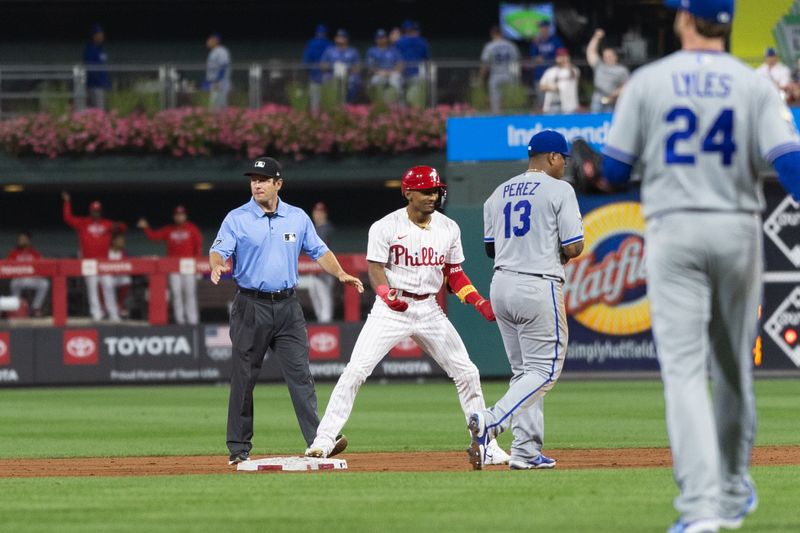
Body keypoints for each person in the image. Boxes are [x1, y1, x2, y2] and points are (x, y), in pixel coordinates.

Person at [602, 0, 800, 531]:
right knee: (734, 370)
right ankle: (734, 489)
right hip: (737, 227)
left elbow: (614, 168)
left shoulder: (650, 80)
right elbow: (791, 163)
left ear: (685, 19)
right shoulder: (755, 82)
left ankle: (701, 513)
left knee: (685, 375)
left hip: (674, 229)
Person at [304, 165, 511, 467]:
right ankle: (323, 440)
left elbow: (453, 273)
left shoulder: (449, 227)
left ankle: (486, 445)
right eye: (426, 191)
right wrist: (386, 294)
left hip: (428, 308)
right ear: (408, 193)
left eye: (436, 190)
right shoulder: (385, 226)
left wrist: (478, 301)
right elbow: (375, 268)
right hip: (392, 309)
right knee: (356, 370)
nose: (432, 196)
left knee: (467, 372)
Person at [209, 156, 364, 465]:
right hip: (250, 305)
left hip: (288, 306)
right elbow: (219, 249)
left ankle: (319, 441)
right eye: (253, 179)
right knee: (244, 378)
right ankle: (238, 448)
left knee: (301, 376)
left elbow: (320, 250)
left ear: (278, 184)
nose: (256, 184)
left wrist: (341, 273)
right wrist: (217, 265)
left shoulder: (297, 217)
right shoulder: (237, 218)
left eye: (263, 179)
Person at [468, 130, 583, 471]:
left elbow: (490, 249)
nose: (564, 164)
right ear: (551, 157)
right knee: (545, 371)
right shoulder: (560, 189)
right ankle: (491, 422)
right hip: (537, 285)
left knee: (523, 373)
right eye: (563, 158)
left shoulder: (497, 192)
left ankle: (526, 451)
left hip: (501, 284)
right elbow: (575, 246)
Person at [62, 192, 127, 322]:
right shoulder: (83, 223)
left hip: (103, 261)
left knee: (108, 285)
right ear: (90, 211)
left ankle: (113, 314)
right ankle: (96, 314)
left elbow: (123, 227)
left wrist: (117, 226)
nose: (96, 213)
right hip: (88, 261)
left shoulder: (107, 223)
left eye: (98, 211)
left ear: (100, 212)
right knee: (92, 288)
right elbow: (67, 218)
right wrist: (67, 202)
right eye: (94, 211)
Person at [138, 205, 203, 325]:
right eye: (177, 215)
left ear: (185, 216)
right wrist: (146, 228)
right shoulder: (169, 229)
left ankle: (193, 320)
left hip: (189, 266)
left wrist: (197, 266)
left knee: (189, 293)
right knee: (176, 293)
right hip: (173, 266)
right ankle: (180, 320)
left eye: (181, 214)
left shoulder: (192, 229)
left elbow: (198, 247)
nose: (179, 217)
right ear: (174, 216)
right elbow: (154, 236)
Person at [297, 202, 335, 323]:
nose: (318, 215)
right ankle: (321, 320)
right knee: (314, 293)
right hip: (313, 269)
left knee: (324, 294)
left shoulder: (327, 228)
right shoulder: (312, 228)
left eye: (320, 212)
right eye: (316, 212)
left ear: (324, 214)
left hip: (325, 268)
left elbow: (319, 246)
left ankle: (326, 321)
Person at [586, 28, 629, 113]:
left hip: (612, 101)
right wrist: (596, 37)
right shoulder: (599, 65)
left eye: (610, 56)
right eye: (605, 56)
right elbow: (591, 52)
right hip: (597, 99)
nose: (607, 58)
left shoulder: (621, 70)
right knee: (594, 121)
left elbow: (626, 85)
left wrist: (613, 95)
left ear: (615, 57)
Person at [7, 232, 49, 318]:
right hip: (19, 278)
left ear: (28, 241)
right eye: (20, 239)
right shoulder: (14, 253)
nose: (22, 241)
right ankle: (17, 307)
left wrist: (38, 274)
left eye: (24, 239)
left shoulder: (34, 252)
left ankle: (35, 308)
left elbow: (42, 265)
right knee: (13, 283)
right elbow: (7, 266)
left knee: (44, 283)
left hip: (32, 278)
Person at [480, 25, 521, 114]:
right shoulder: (511, 45)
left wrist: (481, 78)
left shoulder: (489, 46)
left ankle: (497, 119)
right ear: (501, 34)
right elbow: (517, 63)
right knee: (511, 101)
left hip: (496, 75)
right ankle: (512, 119)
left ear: (492, 34)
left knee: (495, 101)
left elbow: (485, 64)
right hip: (509, 75)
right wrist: (517, 77)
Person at [320, 29, 361, 104]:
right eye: (339, 37)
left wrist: (346, 67)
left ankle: (350, 104)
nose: (341, 38)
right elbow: (322, 66)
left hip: (348, 75)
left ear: (347, 39)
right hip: (332, 74)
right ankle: (331, 104)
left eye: (343, 37)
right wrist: (334, 66)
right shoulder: (329, 50)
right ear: (335, 38)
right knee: (326, 78)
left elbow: (358, 67)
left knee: (354, 79)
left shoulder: (353, 51)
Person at [529, 19, 564, 102]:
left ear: (547, 28)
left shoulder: (555, 40)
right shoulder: (536, 42)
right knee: (542, 101)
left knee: (556, 100)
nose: (543, 29)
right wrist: (537, 58)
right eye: (541, 27)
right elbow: (533, 57)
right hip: (540, 74)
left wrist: (552, 59)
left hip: (554, 74)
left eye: (544, 27)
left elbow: (562, 55)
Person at [302, 24, 333, 114]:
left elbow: (306, 62)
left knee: (315, 102)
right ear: (326, 33)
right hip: (327, 75)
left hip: (314, 76)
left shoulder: (311, 43)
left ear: (316, 33)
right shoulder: (329, 44)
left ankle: (315, 118)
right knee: (328, 101)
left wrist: (309, 72)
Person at [366, 29, 404, 101]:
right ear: (376, 39)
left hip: (393, 73)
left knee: (396, 80)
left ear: (386, 38)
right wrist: (380, 72)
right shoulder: (371, 51)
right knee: (375, 81)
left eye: (383, 37)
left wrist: (391, 72)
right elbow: (371, 67)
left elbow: (400, 64)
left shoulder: (394, 50)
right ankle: (378, 104)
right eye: (379, 37)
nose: (381, 39)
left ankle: (395, 104)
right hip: (379, 74)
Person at [539, 48, 580, 114]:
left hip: (569, 106)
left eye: (564, 56)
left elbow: (573, 75)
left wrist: (567, 63)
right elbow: (541, 86)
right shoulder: (550, 71)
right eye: (560, 56)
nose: (562, 58)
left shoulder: (573, 70)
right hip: (551, 105)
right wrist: (551, 87)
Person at [83, 24, 110, 110]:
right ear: (94, 36)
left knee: (101, 109)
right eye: (99, 34)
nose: (101, 36)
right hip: (94, 86)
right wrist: (99, 82)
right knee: (99, 110)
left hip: (102, 86)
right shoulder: (90, 50)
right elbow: (90, 68)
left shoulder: (101, 49)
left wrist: (107, 83)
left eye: (102, 34)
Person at [107, 232, 132, 319]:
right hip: (108, 277)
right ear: (113, 241)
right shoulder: (107, 252)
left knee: (127, 280)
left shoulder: (124, 253)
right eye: (120, 240)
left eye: (123, 241)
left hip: (119, 276)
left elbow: (129, 266)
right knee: (104, 282)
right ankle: (105, 307)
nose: (122, 242)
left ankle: (120, 305)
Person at [204, 33, 231, 110]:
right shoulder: (213, 52)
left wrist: (218, 80)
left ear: (216, 41)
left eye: (210, 40)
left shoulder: (221, 51)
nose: (208, 42)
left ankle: (223, 120)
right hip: (215, 82)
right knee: (216, 105)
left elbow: (224, 65)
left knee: (217, 105)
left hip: (220, 82)